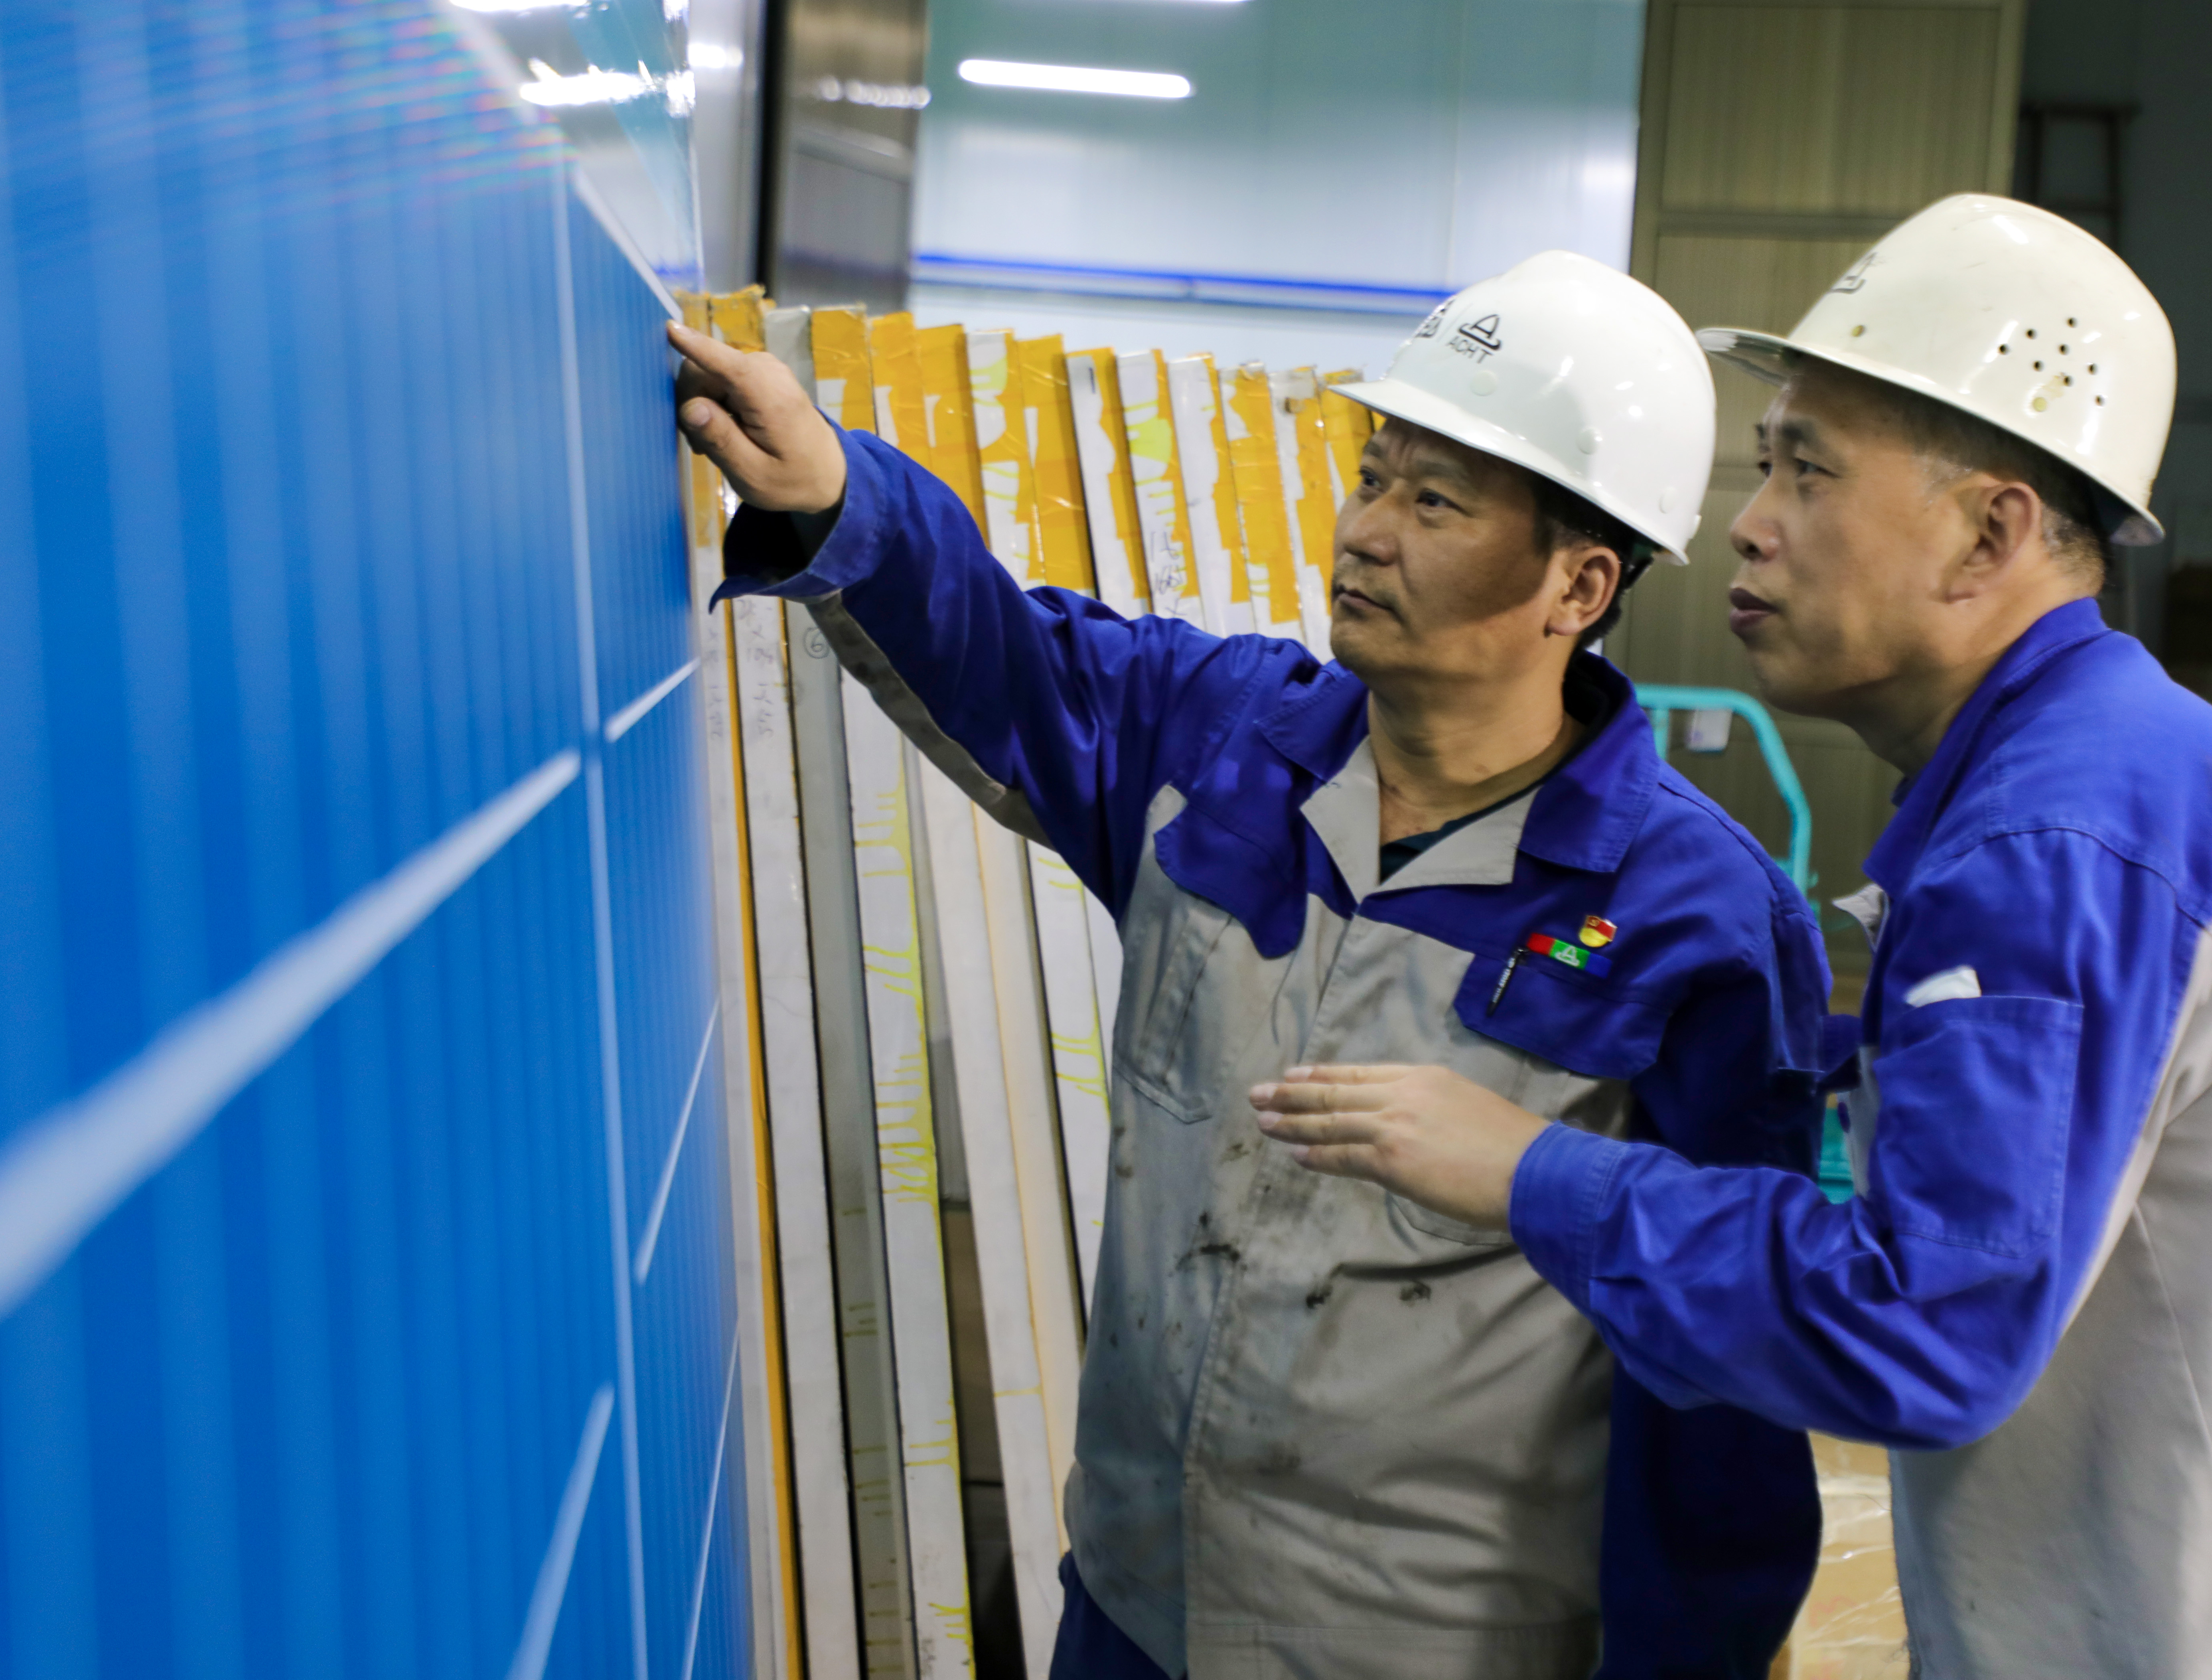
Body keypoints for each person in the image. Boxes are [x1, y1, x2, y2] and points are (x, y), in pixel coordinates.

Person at [1255, 193, 2212, 1675]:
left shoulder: (2056, 843)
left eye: (1809, 470)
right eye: (1760, 464)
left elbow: (1932, 1322)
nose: (1750, 520)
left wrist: (1533, 1172)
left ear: (1989, 530)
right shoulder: (2095, 777)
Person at [667, 252, 1834, 1678]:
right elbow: (1010, 654)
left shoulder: (1694, 915)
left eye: (1436, 501)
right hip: (1134, 1613)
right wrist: (838, 491)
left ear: (1578, 584)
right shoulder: (1220, 747)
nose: (1366, 533)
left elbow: (1722, 1370)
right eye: (1374, 475)